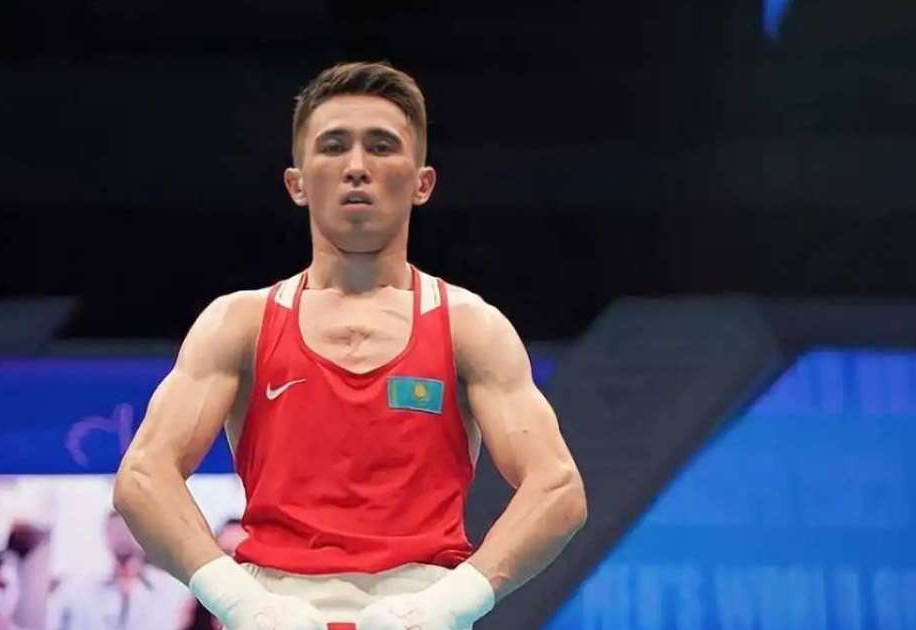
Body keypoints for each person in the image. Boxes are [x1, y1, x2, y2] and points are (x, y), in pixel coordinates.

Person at [113, 61, 588, 630]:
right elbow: (143, 478)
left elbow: (557, 489)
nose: (357, 168)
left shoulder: (469, 327)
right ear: (297, 182)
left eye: (382, 147)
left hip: (422, 607)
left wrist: (445, 606)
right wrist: (244, 603)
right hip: (274, 609)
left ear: (422, 182)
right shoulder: (239, 323)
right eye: (334, 146)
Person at [49, 512, 186, 630]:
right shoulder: (78, 591)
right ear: (106, 535)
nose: (122, 535)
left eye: (128, 528)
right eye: (116, 529)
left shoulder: (169, 591)